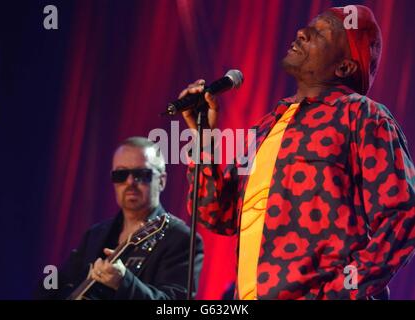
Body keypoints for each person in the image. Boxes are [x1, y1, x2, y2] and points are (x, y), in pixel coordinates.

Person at [180, 5, 415, 300]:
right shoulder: (267, 126)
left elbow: (402, 216)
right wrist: (204, 138)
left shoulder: (362, 115)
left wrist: (342, 290)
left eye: (321, 33)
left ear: (344, 67)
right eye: (308, 26)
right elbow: (215, 214)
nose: (302, 33)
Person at [35, 137, 203, 299]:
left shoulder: (182, 239)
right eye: (121, 175)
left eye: (141, 174)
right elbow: (54, 284)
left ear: (161, 181)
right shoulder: (96, 235)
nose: (130, 182)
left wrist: (124, 282)